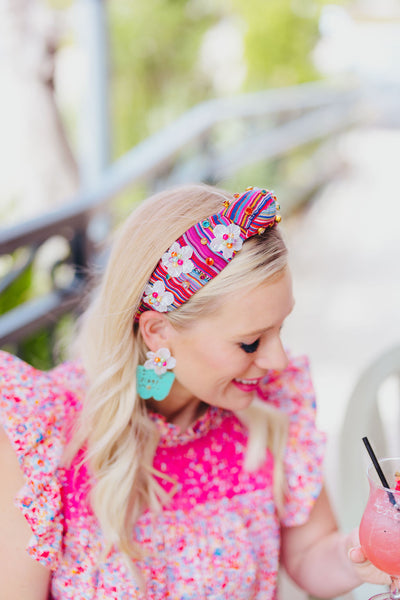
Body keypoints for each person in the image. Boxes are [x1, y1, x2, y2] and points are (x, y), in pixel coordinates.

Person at [0, 184, 390, 599]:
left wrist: (364, 550)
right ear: (158, 332)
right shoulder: (42, 435)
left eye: (281, 328)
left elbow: (310, 554)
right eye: (251, 343)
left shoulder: (272, 402)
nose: (278, 361)